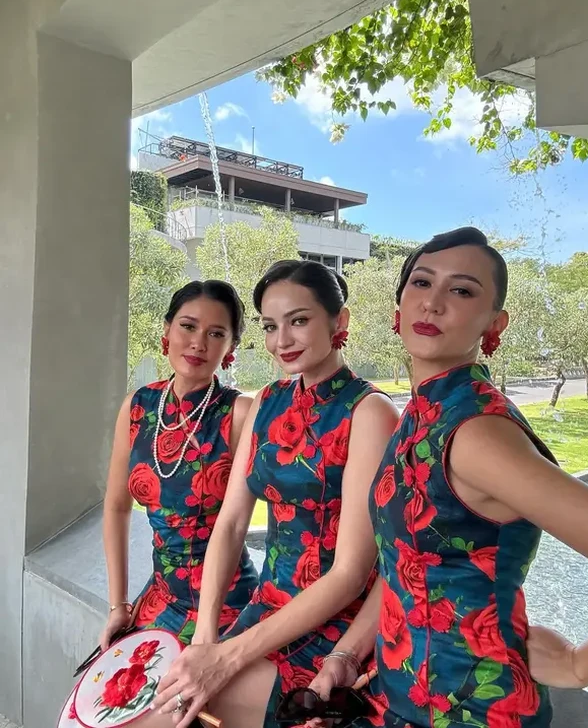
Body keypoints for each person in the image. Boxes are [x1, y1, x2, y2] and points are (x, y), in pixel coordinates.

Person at [302, 227, 588, 728]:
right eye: (421, 283)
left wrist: (582, 663)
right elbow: (410, 563)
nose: (434, 303)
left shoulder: (476, 433)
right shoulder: (422, 415)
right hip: (397, 698)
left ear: (494, 322)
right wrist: (348, 656)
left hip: (473, 712)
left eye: (462, 290)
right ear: (398, 308)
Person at [151, 260, 399, 728]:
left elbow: (350, 573)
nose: (281, 340)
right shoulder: (267, 400)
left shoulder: (369, 412)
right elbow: (230, 524)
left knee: (180, 712)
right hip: (265, 608)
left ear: (339, 322)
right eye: (270, 325)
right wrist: (206, 638)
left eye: (299, 321)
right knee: (168, 704)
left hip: (336, 624)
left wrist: (227, 657)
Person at [101, 280, 258, 650]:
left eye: (216, 333)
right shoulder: (138, 406)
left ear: (231, 347)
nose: (198, 343)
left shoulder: (239, 415)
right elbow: (116, 505)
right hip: (159, 599)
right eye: (188, 326)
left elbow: (236, 526)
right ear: (167, 330)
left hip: (225, 607)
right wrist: (117, 605)